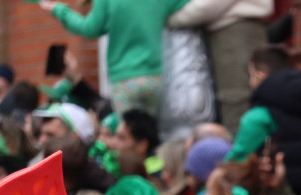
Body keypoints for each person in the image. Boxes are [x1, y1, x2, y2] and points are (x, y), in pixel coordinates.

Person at [39, 0, 189, 115]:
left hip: (124, 80)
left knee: (127, 140)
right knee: (152, 135)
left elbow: (90, 28)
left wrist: (58, 10)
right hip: (154, 78)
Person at [226, 45, 301, 195]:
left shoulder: (258, 117)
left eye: (251, 75)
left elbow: (235, 162)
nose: (251, 83)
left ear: (259, 75)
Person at [167, 0, 273, 134]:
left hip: (234, 29)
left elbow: (209, 5)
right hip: (223, 28)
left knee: (238, 104)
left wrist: (169, 17)